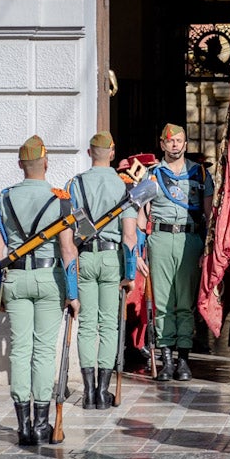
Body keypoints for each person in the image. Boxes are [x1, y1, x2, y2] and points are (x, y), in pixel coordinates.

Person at [0, 136, 78, 444]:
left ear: (20, 165)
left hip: (14, 279)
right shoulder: (61, 199)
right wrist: (73, 292)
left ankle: (23, 424)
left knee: (19, 350)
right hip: (48, 277)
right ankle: (42, 424)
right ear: (46, 162)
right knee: (42, 351)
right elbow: (67, 250)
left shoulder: (3, 199)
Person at [67, 132, 138, 408]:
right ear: (112, 152)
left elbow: (72, 232)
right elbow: (130, 236)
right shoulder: (125, 186)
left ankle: (87, 392)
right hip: (112, 258)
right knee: (109, 325)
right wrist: (129, 274)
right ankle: (103, 391)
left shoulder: (75, 185)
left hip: (85, 255)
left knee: (87, 325)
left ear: (88, 152)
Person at [140, 123, 214, 382]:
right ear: (162, 144)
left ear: (185, 143)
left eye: (179, 141)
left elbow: (209, 216)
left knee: (185, 303)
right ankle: (166, 359)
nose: (174, 145)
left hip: (189, 238)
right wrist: (138, 252)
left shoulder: (200, 174)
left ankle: (184, 358)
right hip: (159, 239)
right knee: (162, 303)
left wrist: (208, 249)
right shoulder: (151, 175)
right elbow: (140, 217)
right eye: (169, 141)